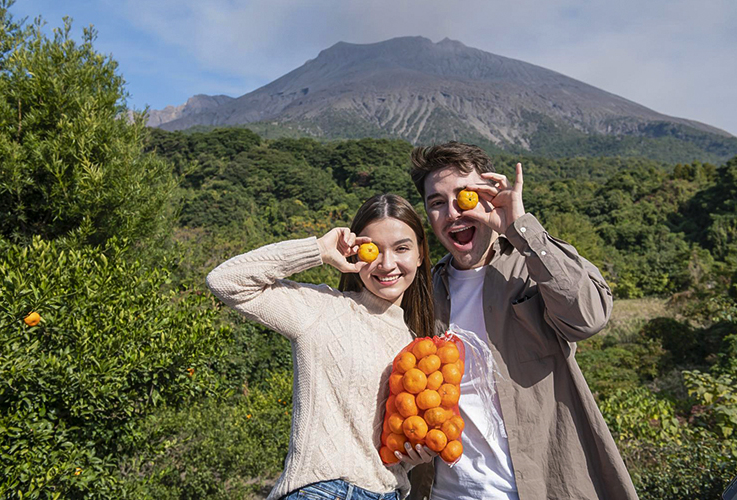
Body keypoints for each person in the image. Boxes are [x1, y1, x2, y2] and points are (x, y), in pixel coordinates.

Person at [407, 142, 638, 500]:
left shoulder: (531, 265)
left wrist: (522, 230)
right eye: (437, 202)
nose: (452, 213)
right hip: (445, 492)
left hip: (540, 486)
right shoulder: (425, 293)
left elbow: (589, 317)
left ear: (488, 196)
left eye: (463, 196)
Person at [206, 193, 437, 500]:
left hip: (388, 494)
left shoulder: (418, 346)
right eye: (373, 250)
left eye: (401, 248)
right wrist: (318, 249)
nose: (387, 263)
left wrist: (412, 455)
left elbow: (384, 452)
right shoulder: (323, 309)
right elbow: (225, 280)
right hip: (323, 490)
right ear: (355, 253)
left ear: (421, 254)